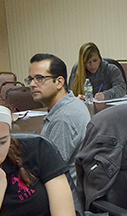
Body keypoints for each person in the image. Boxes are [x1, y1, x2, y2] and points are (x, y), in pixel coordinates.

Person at [28, 53, 90, 183]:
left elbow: (48, 170)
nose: (32, 84)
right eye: (30, 79)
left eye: (39, 78)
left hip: (64, 196)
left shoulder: (63, 118)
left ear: (59, 82)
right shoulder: (72, 102)